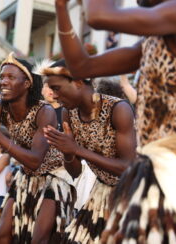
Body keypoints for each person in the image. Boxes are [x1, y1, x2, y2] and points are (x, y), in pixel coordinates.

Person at [54, 0, 176, 241]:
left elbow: (99, 15)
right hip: (156, 171)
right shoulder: (154, 38)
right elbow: (81, 67)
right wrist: (61, 6)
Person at [0, 53, 75, 243]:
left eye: (11, 77)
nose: (3, 81)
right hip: (25, 177)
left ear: (27, 83)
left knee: (38, 239)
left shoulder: (44, 111)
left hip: (54, 177)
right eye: (2, 77)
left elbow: (36, 160)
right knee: (1, 236)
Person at [41, 59, 136, 243]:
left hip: (133, 194)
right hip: (102, 191)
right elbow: (75, 171)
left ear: (77, 83)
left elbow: (128, 168)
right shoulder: (69, 113)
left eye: (57, 88)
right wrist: (68, 153)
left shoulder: (118, 109)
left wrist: (77, 150)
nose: (53, 94)